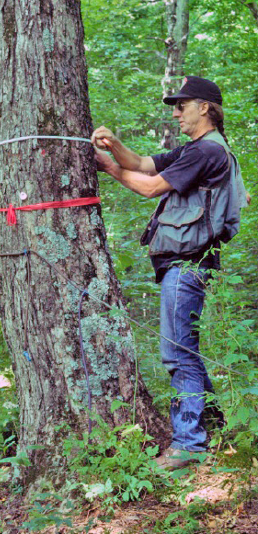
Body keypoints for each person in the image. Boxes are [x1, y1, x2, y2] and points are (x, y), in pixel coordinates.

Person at [91, 76, 247, 470]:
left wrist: (109, 169)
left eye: (182, 105)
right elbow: (143, 163)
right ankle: (216, 428)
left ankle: (190, 444)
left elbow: (149, 187)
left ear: (205, 108)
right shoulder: (196, 149)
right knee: (184, 349)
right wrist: (115, 146)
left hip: (188, 265)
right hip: (182, 265)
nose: (176, 113)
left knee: (178, 354)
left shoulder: (207, 152)